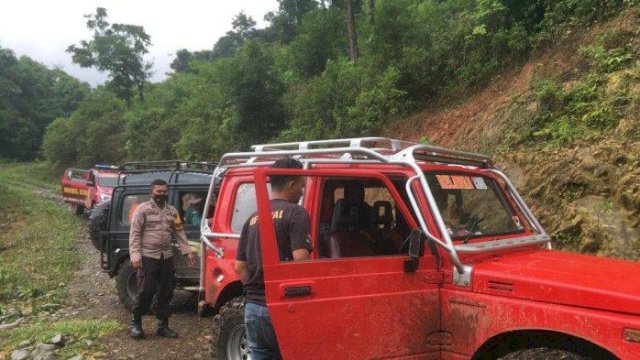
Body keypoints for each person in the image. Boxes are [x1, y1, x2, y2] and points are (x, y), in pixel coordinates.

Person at [234, 158, 313, 360]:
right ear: (291, 185)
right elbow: (300, 261)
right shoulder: (296, 213)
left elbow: (240, 266)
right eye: (302, 186)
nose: (302, 192)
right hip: (282, 309)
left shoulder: (253, 216)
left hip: (253, 308)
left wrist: (253, 294)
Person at [128, 179, 196, 339]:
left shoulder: (172, 211)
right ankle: (136, 322)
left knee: (167, 291)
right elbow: (135, 233)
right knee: (146, 290)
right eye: (159, 191)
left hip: (166, 257)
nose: (162, 194)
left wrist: (188, 252)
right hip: (147, 256)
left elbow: (179, 232)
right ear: (152, 192)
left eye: (164, 191)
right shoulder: (142, 210)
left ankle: (163, 326)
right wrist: (135, 255)